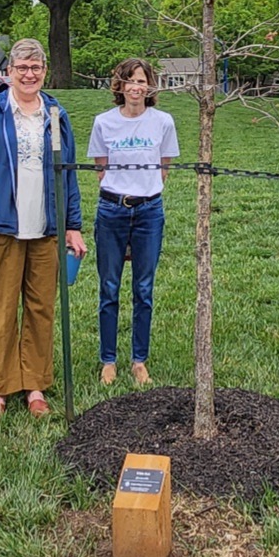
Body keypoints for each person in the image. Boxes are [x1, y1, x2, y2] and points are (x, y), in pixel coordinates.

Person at [0, 38, 85, 424]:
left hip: (46, 228)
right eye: (21, 68)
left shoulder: (55, 113)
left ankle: (35, 385)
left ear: (44, 71)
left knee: (40, 308)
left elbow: (69, 174)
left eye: (36, 68)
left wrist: (73, 226)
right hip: (0, 227)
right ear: (9, 72)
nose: (29, 74)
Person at [88, 58, 179, 386]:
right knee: (109, 287)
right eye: (130, 82)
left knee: (144, 288)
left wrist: (144, 194)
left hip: (149, 213)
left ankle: (139, 360)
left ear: (150, 86)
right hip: (112, 210)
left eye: (142, 81)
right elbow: (101, 169)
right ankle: (108, 360)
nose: (136, 88)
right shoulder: (103, 123)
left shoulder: (163, 122)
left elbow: (164, 167)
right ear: (120, 86)